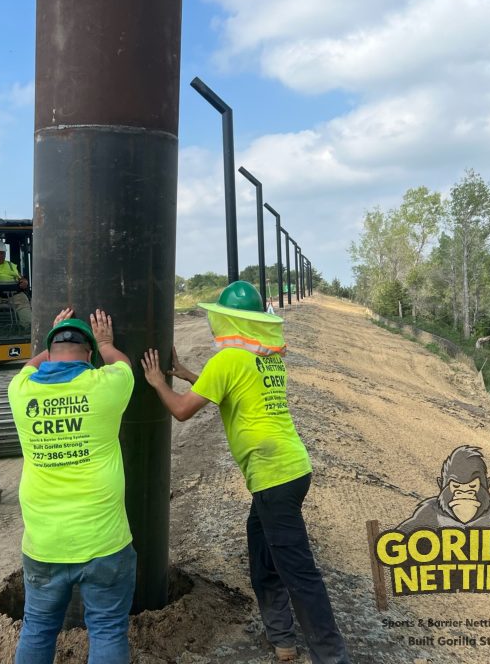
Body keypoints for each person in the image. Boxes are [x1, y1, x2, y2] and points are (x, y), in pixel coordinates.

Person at [141, 280, 351, 664]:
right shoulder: (265, 357)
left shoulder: (227, 361)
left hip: (273, 477)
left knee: (299, 573)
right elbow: (231, 389)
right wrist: (189, 374)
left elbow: (183, 410)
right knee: (262, 554)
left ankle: (332, 656)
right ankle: (283, 640)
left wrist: (157, 383)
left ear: (228, 320)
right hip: (292, 470)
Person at [8, 307, 136, 664]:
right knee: (108, 627)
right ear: (90, 355)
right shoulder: (105, 386)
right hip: (104, 541)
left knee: (38, 626)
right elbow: (123, 365)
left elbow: (30, 367)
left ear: (50, 352)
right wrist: (107, 343)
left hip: (44, 543)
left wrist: (54, 333)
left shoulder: (19, 391)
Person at [0, 240, 32, 328]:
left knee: (24, 301)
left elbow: (20, 277)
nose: (0, 256)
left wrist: (25, 281)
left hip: (13, 293)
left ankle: (27, 328)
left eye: (2, 253)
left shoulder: (11, 265)